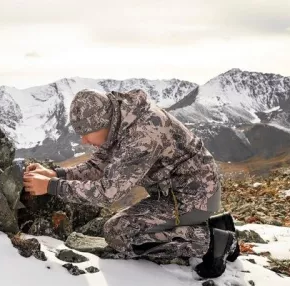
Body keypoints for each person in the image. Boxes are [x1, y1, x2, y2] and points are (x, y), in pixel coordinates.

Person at [22, 89, 239, 278]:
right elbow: (99, 166)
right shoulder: (120, 119)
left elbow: (107, 193)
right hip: (174, 194)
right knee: (120, 226)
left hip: (194, 198)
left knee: (119, 233)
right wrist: (55, 173)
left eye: (87, 134)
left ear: (103, 122)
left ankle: (212, 240)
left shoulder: (141, 135)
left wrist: (51, 186)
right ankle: (218, 225)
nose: (84, 141)